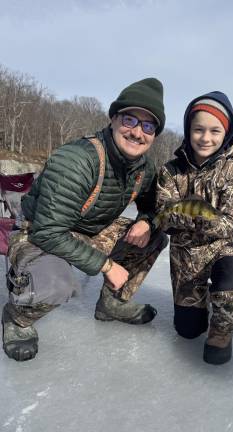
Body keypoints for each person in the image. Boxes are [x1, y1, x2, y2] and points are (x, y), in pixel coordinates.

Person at [2, 78, 168, 362]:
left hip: (87, 232)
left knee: (153, 237)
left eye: (148, 125)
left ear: (154, 135)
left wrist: (147, 222)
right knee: (56, 286)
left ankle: (111, 304)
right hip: (37, 233)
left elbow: (153, 208)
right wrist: (106, 264)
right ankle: (17, 320)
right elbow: (48, 232)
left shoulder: (144, 168)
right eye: (130, 119)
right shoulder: (77, 160)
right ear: (114, 119)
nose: (138, 132)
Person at [156, 91, 233, 365]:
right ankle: (201, 304)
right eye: (199, 129)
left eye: (215, 130)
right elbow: (163, 219)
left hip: (223, 250)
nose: (206, 137)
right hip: (185, 258)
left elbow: (228, 224)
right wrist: (189, 217)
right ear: (189, 130)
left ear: (227, 133)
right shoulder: (170, 171)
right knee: (187, 331)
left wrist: (188, 216)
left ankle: (221, 330)